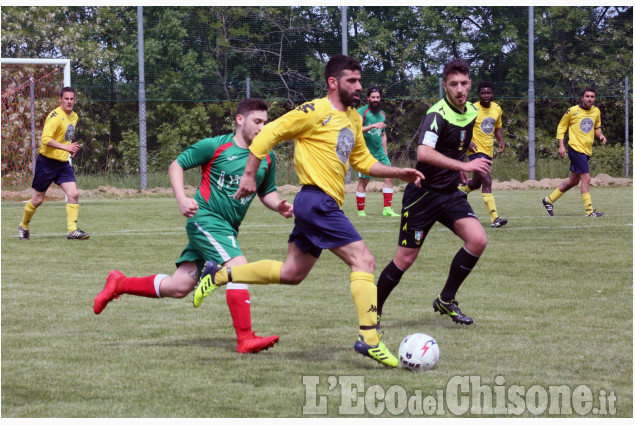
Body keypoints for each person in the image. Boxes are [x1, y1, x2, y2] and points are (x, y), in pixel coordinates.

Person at [192, 54, 424, 367]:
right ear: (333, 82)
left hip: (318, 204)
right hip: (317, 201)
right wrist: (249, 173)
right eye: (351, 81)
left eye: (360, 80)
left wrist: (399, 172)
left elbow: (362, 162)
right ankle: (370, 338)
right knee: (363, 260)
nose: (359, 87)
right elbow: (271, 132)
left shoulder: (355, 119)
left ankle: (221, 274)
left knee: (292, 273)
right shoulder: (315, 110)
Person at [93, 99, 291, 354]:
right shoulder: (215, 146)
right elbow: (176, 165)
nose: (263, 127)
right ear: (240, 120)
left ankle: (119, 284)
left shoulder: (267, 156)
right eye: (257, 121)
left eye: (266, 122)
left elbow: (267, 192)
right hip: (205, 220)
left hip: (226, 229)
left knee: (178, 287)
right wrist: (181, 199)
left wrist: (279, 206)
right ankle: (245, 338)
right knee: (238, 267)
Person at [375, 58, 492, 327]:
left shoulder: (472, 112)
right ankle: (374, 310)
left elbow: (460, 139)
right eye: (454, 85)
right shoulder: (436, 114)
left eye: (464, 83)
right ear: (445, 86)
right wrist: (464, 164)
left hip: (449, 193)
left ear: (470, 84)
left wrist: (459, 161)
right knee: (405, 258)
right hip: (423, 195)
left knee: (478, 240)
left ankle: (446, 299)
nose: (460, 89)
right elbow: (424, 152)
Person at [18, 87, 90, 240]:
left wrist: (70, 150)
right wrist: (66, 147)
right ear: (60, 99)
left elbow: (64, 138)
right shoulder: (55, 117)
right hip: (46, 163)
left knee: (74, 194)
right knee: (37, 200)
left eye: (72, 99)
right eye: (66, 99)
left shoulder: (74, 116)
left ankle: (72, 231)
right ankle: (23, 226)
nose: (69, 102)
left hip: (63, 164)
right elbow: (45, 139)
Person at [542, 87, 607, 217]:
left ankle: (548, 200)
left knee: (573, 181)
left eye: (592, 97)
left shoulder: (596, 112)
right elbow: (561, 127)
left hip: (587, 150)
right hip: (576, 149)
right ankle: (589, 211)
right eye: (587, 96)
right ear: (582, 98)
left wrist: (600, 135)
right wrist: (561, 146)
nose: (589, 99)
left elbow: (597, 127)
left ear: (595, 98)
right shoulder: (573, 111)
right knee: (586, 179)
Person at [458, 81, 507, 228]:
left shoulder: (497, 109)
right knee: (487, 179)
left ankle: (458, 193)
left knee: (476, 183)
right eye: (483, 93)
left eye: (489, 93)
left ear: (492, 94)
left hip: (488, 149)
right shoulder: (471, 108)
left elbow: (497, 127)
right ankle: (495, 218)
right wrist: (467, 142)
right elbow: (461, 126)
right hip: (474, 149)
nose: (486, 95)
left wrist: (501, 141)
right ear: (479, 95)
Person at [355, 85, 400, 217]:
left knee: (390, 176)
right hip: (365, 153)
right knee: (364, 182)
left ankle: (387, 209)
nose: (375, 99)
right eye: (373, 97)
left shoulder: (382, 114)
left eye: (378, 97)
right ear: (368, 98)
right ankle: (361, 211)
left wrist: (385, 152)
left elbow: (383, 134)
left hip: (380, 153)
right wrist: (373, 125)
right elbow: (357, 130)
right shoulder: (361, 112)